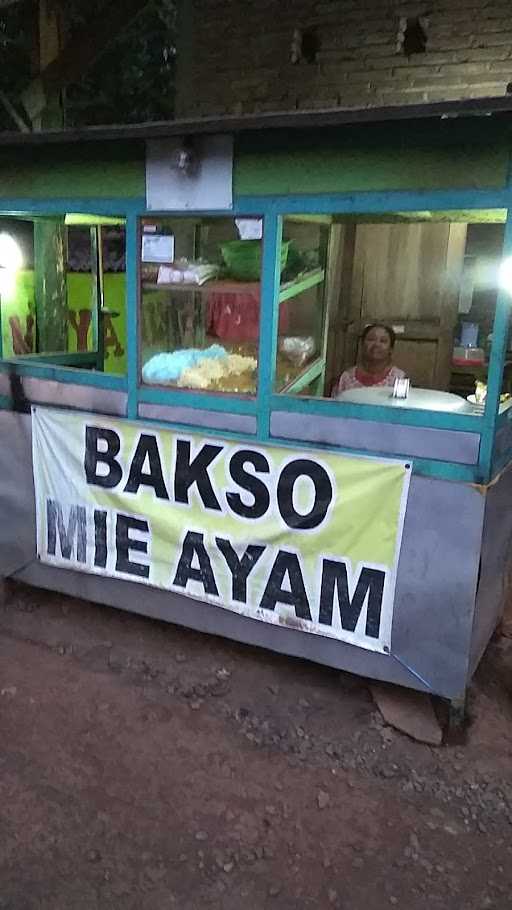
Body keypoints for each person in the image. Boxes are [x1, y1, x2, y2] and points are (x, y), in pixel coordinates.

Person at [333, 323, 405, 397]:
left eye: (383, 341)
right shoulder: (346, 378)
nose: (376, 344)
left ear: (391, 349)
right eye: (371, 339)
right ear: (362, 344)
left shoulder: (399, 379)